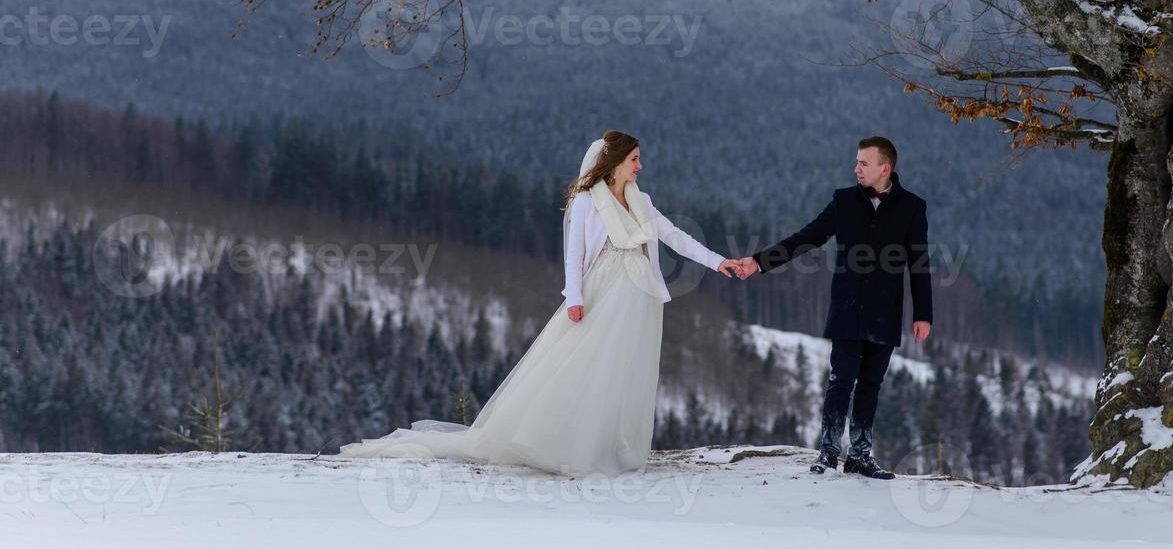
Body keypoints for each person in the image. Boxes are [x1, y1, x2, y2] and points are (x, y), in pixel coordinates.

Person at [337, 130, 743, 475]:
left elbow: (673, 236)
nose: (640, 167)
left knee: (626, 368)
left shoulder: (642, 200)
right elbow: (575, 253)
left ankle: (614, 446)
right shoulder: (588, 201)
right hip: (605, 289)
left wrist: (718, 261)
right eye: (635, 159)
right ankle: (569, 444)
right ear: (615, 161)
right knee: (589, 363)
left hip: (639, 295)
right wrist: (575, 296)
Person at [733, 135, 932, 479]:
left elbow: (919, 263)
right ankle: (828, 452)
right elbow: (806, 237)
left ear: (885, 168)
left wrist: (924, 314)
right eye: (856, 162)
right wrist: (760, 262)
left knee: (871, 384)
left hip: (886, 313)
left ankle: (860, 455)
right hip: (847, 310)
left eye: (863, 163)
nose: (856, 168)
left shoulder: (912, 207)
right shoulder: (843, 201)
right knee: (840, 382)